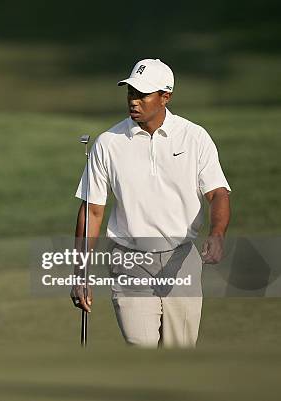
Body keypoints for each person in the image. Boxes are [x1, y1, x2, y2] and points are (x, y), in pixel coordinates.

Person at [70, 59, 231, 347]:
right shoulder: (108, 143)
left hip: (181, 259)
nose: (134, 101)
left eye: (142, 94)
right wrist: (80, 272)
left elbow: (218, 193)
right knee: (140, 349)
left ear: (165, 96)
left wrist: (217, 234)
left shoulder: (194, 137)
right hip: (130, 260)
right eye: (130, 93)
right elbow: (92, 211)